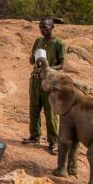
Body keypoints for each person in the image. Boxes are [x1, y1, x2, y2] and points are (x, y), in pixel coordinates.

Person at [22, 17, 66, 155]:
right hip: (35, 79)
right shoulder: (38, 41)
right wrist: (35, 59)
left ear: (52, 27)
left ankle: (54, 142)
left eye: (45, 28)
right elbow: (32, 60)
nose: (42, 30)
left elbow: (61, 65)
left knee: (50, 112)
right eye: (40, 27)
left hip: (50, 81)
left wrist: (48, 68)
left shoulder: (59, 43)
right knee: (34, 109)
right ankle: (34, 136)